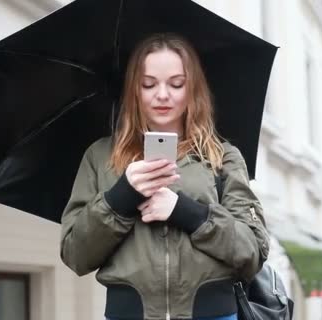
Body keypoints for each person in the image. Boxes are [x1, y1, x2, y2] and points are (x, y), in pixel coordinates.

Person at [59, 33, 270, 320]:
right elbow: (75, 255)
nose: (162, 95)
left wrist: (184, 211)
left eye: (176, 84)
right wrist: (122, 197)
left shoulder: (223, 157)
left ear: (192, 88)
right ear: (135, 89)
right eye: (148, 84)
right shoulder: (100, 157)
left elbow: (252, 251)